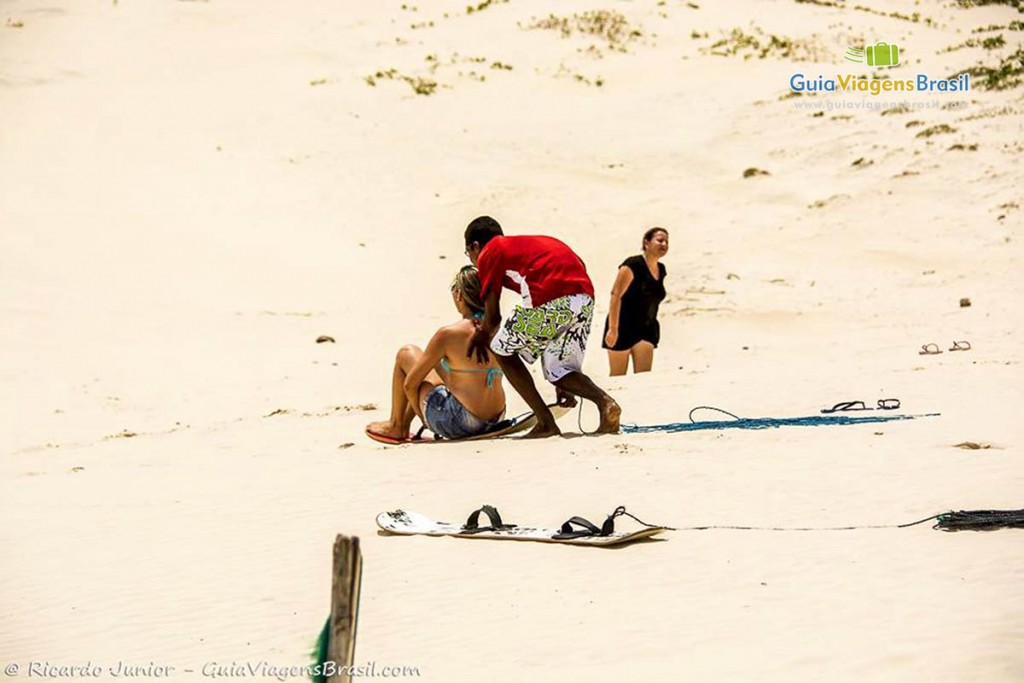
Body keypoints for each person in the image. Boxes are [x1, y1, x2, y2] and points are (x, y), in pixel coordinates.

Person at [463, 216, 621, 438]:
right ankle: (606, 404)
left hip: (553, 300)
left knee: (500, 348)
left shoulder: (490, 251)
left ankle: (545, 422)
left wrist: (481, 335)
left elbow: (493, 316)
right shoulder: (530, 245)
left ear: (475, 246)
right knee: (559, 369)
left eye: (469, 253)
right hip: (584, 299)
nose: (472, 260)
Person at [366, 266, 506, 441]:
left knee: (407, 353)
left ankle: (397, 426)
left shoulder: (448, 334)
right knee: (435, 369)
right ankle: (399, 425)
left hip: (461, 421)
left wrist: (423, 418)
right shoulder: (498, 328)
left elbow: (409, 385)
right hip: (496, 417)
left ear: (459, 296)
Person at [602, 227, 669, 376]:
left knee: (643, 379)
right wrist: (613, 328)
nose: (664, 244)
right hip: (622, 327)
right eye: (659, 240)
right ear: (647, 243)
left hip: (647, 329)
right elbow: (615, 294)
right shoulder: (633, 264)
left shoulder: (661, 269)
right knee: (618, 378)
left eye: (666, 241)